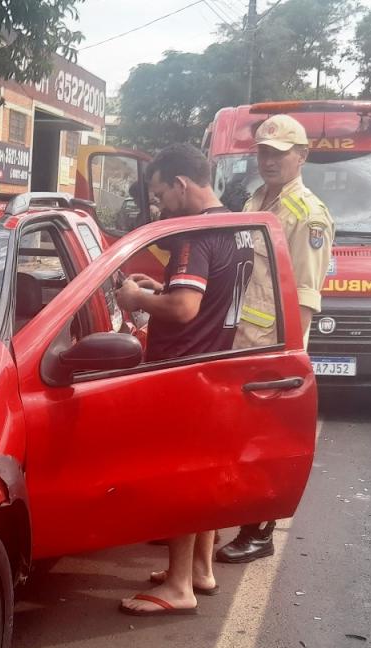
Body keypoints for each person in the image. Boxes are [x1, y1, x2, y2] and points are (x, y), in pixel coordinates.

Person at [113, 144, 255, 617]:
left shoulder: (192, 236)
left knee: (180, 479)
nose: (159, 206)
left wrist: (137, 297)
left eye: (159, 195)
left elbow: (185, 308)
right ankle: (200, 569)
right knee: (203, 473)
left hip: (184, 369)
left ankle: (177, 587)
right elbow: (203, 296)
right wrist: (164, 288)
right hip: (216, 364)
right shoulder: (234, 228)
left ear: (181, 184)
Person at [215, 113, 334, 565]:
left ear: (301, 156)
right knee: (235, 436)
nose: (269, 160)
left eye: (279, 154)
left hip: (270, 347)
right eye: (264, 152)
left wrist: (288, 360)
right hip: (238, 339)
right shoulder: (254, 200)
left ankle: (258, 531)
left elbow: (305, 294)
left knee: (263, 441)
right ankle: (227, 516)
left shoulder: (308, 216)